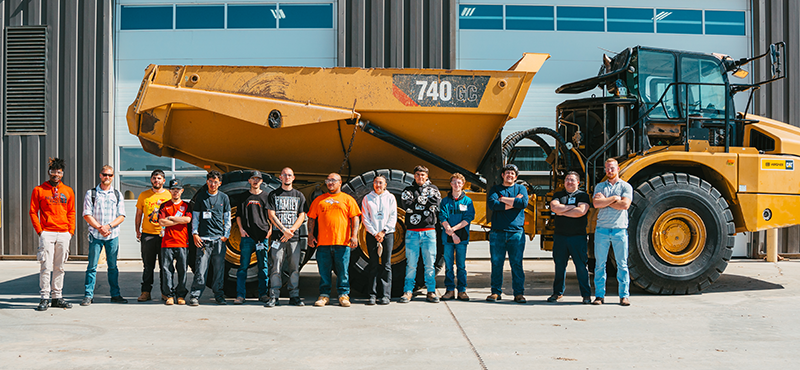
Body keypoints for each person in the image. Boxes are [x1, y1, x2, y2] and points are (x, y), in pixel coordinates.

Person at [307, 173, 361, 308]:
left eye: (333, 180)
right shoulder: (319, 200)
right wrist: (310, 235)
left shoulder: (348, 199)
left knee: (343, 272)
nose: (330, 183)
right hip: (323, 244)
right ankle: (324, 296)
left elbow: (355, 218)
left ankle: (343, 295)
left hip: (342, 243)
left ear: (340, 182)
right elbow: (311, 218)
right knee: (324, 272)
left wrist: (354, 236)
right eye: (328, 180)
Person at [29, 158, 76, 311]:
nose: (56, 174)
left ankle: (57, 296)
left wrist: (71, 232)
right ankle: (44, 297)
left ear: (62, 173)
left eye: (59, 172)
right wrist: (40, 231)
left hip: (63, 233)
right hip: (47, 233)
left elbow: (71, 212)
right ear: (49, 172)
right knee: (45, 266)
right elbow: (32, 211)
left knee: (60, 266)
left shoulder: (68, 191)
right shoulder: (39, 190)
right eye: (54, 171)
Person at [81, 165, 127, 306]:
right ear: (100, 175)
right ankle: (88, 295)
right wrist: (99, 227)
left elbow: (121, 216)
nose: (107, 177)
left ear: (113, 177)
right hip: (96, 236)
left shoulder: (117, 194)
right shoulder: (91, 193)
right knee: (92, 267)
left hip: (112, 236)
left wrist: (108, 226)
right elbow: (87, 214)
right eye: (104, 174)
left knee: (112, 267)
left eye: (110, 175)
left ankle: (115, 294)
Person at [592, 158, 633, 306]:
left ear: (618, 168)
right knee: (600, 265)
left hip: (619, 230)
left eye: (612, 168)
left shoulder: (626, 187)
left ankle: (624, 296)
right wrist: (615, 198)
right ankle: (599, 296)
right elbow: (596, 203)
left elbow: (625, 205)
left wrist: (607, 201)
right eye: (607, 168)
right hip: (602, 230)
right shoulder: (599, 186)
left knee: (622, 265)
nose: (610, 171)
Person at [547, 171, 592, 304]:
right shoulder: (558, 195)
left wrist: (563, 210)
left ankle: (586, 295)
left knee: (581, 267)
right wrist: (571, 207)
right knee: (559, 266)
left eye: (572, 180)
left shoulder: (583, 195)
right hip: (560, 237)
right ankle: (557, 293)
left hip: (577, 237)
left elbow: (581, 212)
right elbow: (554, 207)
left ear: (578, 182)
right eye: (567, 179)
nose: (569, 182)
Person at [188, 170, 231, 306]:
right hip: (204, 240)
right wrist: (195, 233)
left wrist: (226, 235)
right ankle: (195, 295)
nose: (213, 184)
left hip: (218, 240)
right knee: (201, 269)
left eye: (215, 182)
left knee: (219, 270)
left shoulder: (224, 198)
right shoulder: (201, 197)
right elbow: (195, 218)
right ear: (207, 182)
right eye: (211, 181)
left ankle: (219, 295)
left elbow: (227, 218)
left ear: (220, 183)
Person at [487, 164, 529, 304]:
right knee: (496, 263)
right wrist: (513, 202)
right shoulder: (495, 189)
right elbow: (493, 205)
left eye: (512, 173)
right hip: (497, 233)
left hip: (516, 233)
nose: (509, 175)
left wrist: (502, 199)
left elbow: (523, 203)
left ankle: (519, 293)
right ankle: (495, 292)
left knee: (516, 264)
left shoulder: (520, 188)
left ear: (516, 177)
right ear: (502, 175)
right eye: (507, 173)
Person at [399, 165, 441, 304]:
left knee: (430, 265)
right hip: (412, 233)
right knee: (411, 264)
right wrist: (425, 202)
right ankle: (408, 291)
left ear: (427, 176)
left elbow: (436, 203)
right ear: (414, 176)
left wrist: (417, 202)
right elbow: (407, 205)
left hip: (429, 232)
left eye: (422, 175)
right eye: (417, 174)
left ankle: (431, 291)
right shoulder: (407, 190)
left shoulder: (433, 189)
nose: (420, 177)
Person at [266, 167, 307, 307]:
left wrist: (292, 230)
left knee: (294, 268)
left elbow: (302, 215)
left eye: (290, 175)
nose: (287, 177)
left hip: (294, 239)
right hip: (278, 238)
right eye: (284, 175)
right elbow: (271, 215)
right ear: (280, 177)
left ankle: (294, 296)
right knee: (275, 267)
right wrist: (284, 230)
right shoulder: (273, 194)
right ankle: (274, 296)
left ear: (293, 177)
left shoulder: (299, 195)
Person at [234, 171, 272, 305]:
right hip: (247, 237)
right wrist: (241, 230)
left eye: (258, 179)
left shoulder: (267, 196)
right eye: (253, 179)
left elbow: (271, 215)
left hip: (262, 237)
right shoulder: (243, 197)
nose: (256, 181)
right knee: (243, 267)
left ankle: (263, 294)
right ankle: (240, 295)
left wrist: (270, 230)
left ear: (261, 181)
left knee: (263, 267)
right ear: (249, 181)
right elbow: (238, 215)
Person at [361, 175, 397, 305]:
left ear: (385, 184)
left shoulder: (390, 198)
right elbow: (365, 217)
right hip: (372, 234)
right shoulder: (367, 198)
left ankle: (386, 295)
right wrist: (375, 232)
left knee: (386, 265)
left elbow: (393, 216)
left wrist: (383, 231)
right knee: (373, 264)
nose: (378, 185)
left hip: (387, 234)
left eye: (381, 182)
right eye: (376, 182)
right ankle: (372, 294)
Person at [135, 169, 171, 302]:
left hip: (164, 236)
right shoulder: (144, 195)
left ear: (164, 181)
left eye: (159, 178)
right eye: (154, 178)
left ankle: (165, 293)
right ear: (151, 180)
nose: (157, 180)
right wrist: (137, 230)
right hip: (148, 235)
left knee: (165, 266)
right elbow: (139, 214)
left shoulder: (168, 195)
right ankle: (145, 292)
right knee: (148, 266)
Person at [439, 173, 475, 301]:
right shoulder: (445, 201)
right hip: (448, 238)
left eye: (459, 182)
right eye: (454, 182)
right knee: (449, 266)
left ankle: (462, 291)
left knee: (461, 265)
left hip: (462, 238)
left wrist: (454, 230)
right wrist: (451, 233)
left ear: (463, 184)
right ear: (450, 184)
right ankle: (449, 290)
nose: (456, 185)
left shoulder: (467, 201)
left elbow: (468, 219)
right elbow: (442, 217)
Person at [158, 179, 193, 306]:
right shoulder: (164, 205)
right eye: (173, 190)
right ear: (170, 191)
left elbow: (188, 219)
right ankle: (169, 295)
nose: (175, 192)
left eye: (178, 190)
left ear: (182, 191)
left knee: (182, 270)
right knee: (167, 270)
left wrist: (172, 218)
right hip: (167, 243)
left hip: (182, 242)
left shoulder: (186, 205)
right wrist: (180, 220)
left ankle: (181, 295)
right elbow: (162, 222)